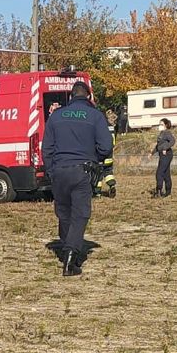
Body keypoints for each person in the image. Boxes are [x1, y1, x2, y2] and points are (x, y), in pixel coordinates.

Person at [41, 81, 113, 276]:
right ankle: (71, 256)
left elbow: (46, 148)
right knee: (80, 214)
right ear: (88, 97)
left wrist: (51, 170)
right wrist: (94, 158)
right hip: (83, 171)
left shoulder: (56, 116)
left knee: (64, 213)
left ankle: (67, 246)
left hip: (59, 171)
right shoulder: (96, 116)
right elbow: (106, 147)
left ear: (71, 97)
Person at [152, 118, 175, 198]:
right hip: (162, 155)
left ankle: (158, 191)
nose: (159, 126)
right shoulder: (161, 134)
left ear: (165, 125)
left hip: (167, 155)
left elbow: (172, 141)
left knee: (159, 173)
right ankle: (168, 192)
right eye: (159, 124)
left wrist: (165, 148)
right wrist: (152, 153)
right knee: (166, 173)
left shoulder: (167, 133)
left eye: (161, 124)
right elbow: (158, 146)